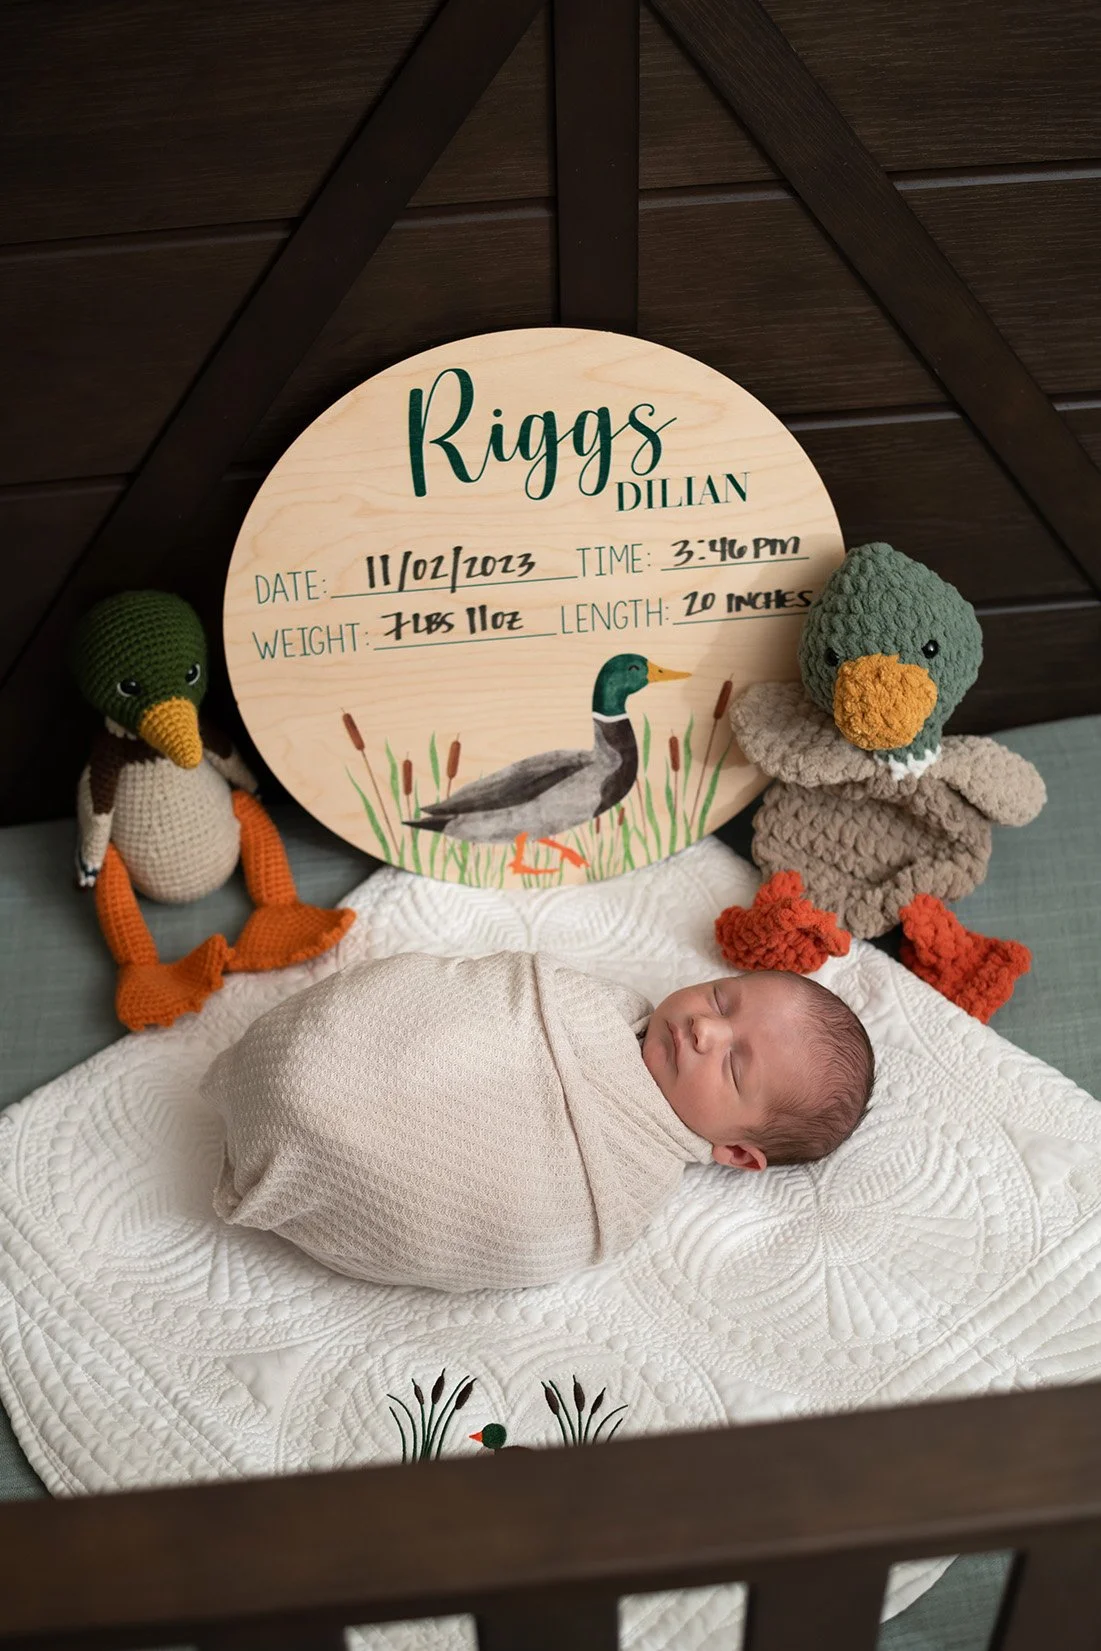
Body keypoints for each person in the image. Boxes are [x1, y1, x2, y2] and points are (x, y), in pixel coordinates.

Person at [202, 953, 873, 1293]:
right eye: (723, 998)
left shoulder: (618, 1195)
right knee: (340, 1060)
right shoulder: (587, 1002)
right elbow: (466, 994)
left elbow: (525, 1234)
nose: (703, 1027)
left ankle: (296, 1143)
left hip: (350, 1168)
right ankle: (284, 1084)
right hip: (342, 1045)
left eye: (732, 1066)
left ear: (734, 1152)